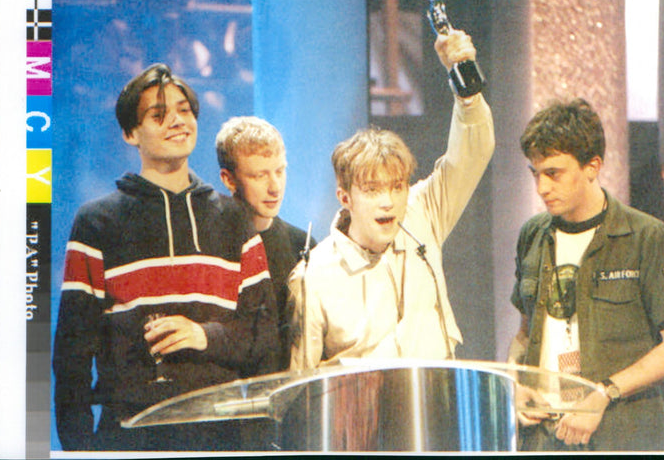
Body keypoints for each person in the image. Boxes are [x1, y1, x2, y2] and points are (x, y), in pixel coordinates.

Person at [52, 64, 281, 451]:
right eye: (158, 115)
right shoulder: (97, 222)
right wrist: (81, 452)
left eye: (185, 111)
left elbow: (264, 336)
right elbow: (72, 358)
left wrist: (203, 336)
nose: (177, 121)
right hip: (127, 438)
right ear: (130, 133)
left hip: (221, 436)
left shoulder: (234, 219)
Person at [288, 30, 494, 369]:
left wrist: (466, 85)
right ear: (345, 198)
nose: (389, 201)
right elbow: (301, 381)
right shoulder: (313, 277)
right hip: (361, 415)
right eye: (372, 190)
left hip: (435, 404)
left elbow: (472, 153)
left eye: (397, 186)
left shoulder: (421, 213)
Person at [508, 99, 664, 451]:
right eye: (535, 173)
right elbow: (524, 333)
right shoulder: (532, 234)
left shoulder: (647, 237)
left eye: (553, 173)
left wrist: (604, 392)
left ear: (592, 166)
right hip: (542, 440)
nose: (541, 188)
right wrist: (517, 384)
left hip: (621, 437)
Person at [216, 116, 314, 372]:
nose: (275, 187)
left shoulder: (302, 245)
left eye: (280, 171)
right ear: (229, 179)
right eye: (260, 175)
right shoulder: (211, 248)